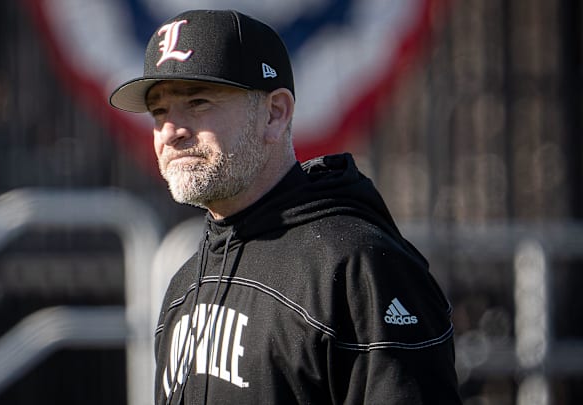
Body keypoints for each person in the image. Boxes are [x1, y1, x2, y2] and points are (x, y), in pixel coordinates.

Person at [110, 9, 461, 405]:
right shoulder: (184, 285)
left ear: (275, 113)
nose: (171, 132)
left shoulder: (357, 267)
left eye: (198, 101)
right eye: (159, 112)